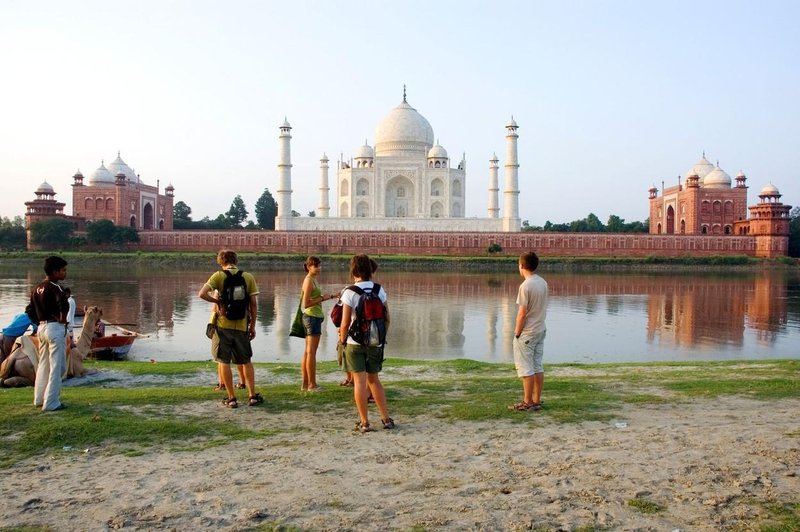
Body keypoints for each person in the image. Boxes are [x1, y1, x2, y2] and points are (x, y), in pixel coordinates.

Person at [198, 249, 263, 408]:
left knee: (223, 361)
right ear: (236, 260)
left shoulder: (218, 276)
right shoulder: (247, 277)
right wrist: (252, 325)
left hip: (222, 325)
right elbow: (253, 305)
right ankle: (252, 396)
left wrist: (217, 302)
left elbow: (201, 294)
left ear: (221, 261)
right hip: (241, 325)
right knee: (246, 361)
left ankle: (232, 398)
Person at [338, 254, 394, 432]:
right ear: (370, 269)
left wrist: (342, 340)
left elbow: (345, 322)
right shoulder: (379, 289)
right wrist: (380, 338)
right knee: (375, 380)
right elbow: (387, 318)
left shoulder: (350, 291)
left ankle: (364, 422)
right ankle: (386, 419)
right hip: (375, 342)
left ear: (353, 270)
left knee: (360, 382)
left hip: (355, 343)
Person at [508, 251, 549, 412]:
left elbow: (522, 313)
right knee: (537, 366)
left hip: (528, 332)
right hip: (540, 329)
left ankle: (527, 402)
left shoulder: (525, 286)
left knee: (526, 369)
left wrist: (517, 332)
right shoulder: (542, 282)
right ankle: (536, 400)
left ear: (522, 266)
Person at [30, 255, 69, 412]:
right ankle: (51, 402)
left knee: (43, 365)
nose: (65, 273)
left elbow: (29, 311)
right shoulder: (56, 288)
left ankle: (39, 399)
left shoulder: (36, 288)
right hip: (54, 329)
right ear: (55, 272)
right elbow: (64, 306)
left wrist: (39, 321)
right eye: (63, 270)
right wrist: (62, 320)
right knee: (56, 367)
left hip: (41, 328)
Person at [300, 256, 335, 392]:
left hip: (312, 317)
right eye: (316, 266)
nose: (319, 268)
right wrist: (323, 298)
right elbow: (306, 303)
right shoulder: (309, 281)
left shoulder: (312, 280)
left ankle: (305, 383)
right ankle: (312, 384)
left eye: (320, 266)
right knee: (311, 352)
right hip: (312, 317)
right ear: (309, 267)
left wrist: (330, 296)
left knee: (308, 352)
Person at [207, 290, 247, 391]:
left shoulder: (219, 286)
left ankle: (222, 383)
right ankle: (242, 382)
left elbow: (215, 309)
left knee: (222, 359)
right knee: (240, 358)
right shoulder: (242, 284)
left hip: (223, 326)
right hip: (240, 325)